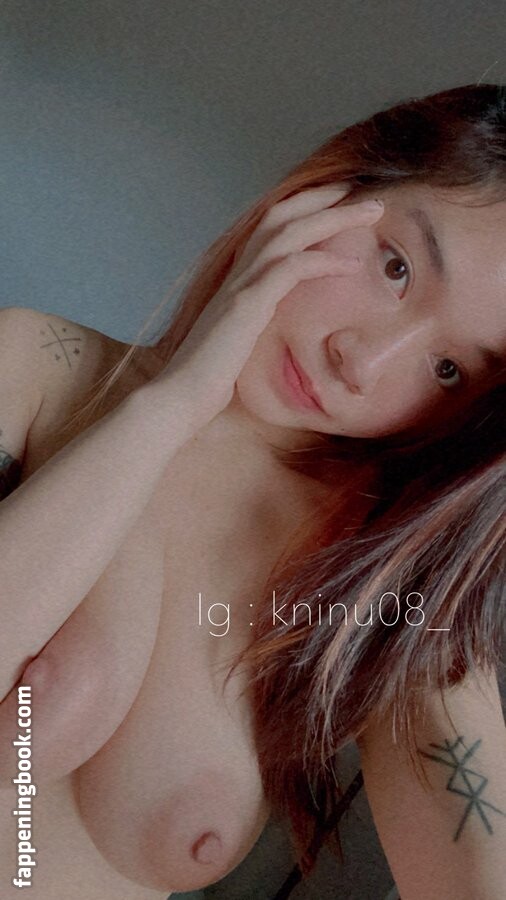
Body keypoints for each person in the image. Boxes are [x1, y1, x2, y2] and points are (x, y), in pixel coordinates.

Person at [0, 82, 505, 899]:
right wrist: (169, 406)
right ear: (335, 183)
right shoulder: (35, 367)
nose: (363, 361)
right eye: (397, 267)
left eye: (448, 370)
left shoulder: (378, 579)